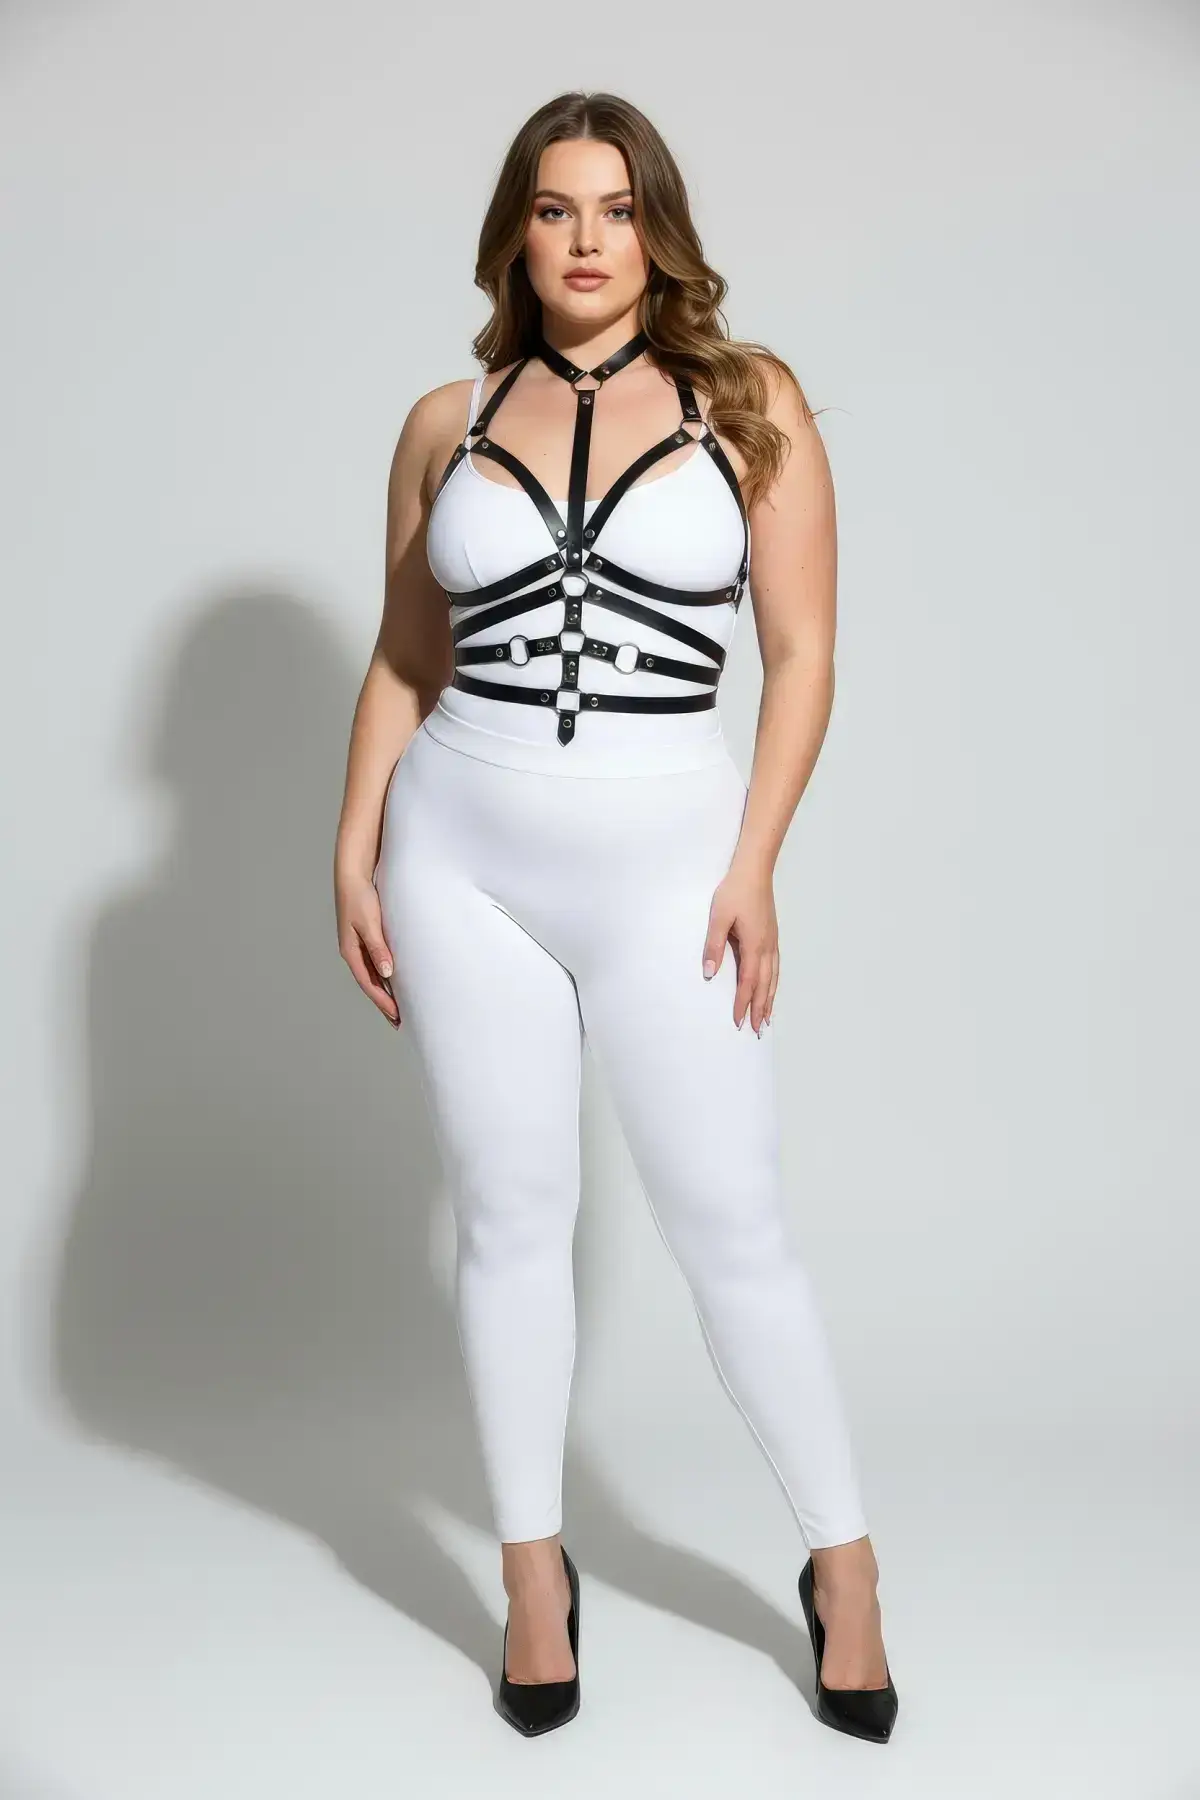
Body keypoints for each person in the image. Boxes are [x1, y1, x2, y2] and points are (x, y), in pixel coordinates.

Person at [333, 89, 898, 1744]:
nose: (586, 239)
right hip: (457, 856)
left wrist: (756, 861)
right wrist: (353, 844)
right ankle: (533, 1576)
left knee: (730, 1223)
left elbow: (802, 653)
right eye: (554, 208)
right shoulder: (443, 421)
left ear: (658, 228)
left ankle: (846, 1571)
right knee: (511, 1217)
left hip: (673, 864)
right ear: (516, 231)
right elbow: (405, 654)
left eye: (617, 207)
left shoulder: (751, 404)